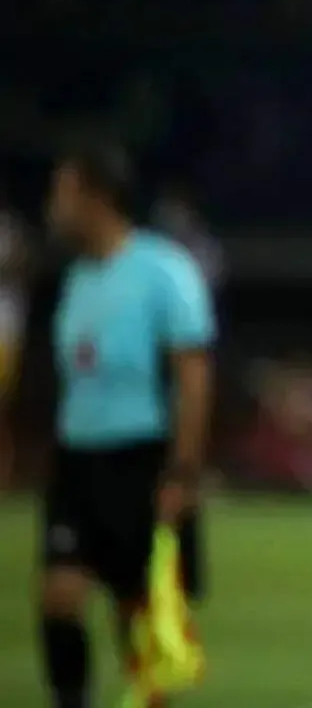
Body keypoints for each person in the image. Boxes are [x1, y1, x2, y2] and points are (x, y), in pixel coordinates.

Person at [39, 136, 216, 708]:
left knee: (135, 609)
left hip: (139, 457)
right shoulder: (77, 278)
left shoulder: (162, 270)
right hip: (77, 460)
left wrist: (182, 471)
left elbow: (192, 374)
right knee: (59, 596)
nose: (53, 206)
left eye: (63, 192)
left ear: (96, 197)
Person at [0, 187, 30, 489]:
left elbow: (22, 266)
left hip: (5, 332)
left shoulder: (9, 229)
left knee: (2, 410)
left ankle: (5, 477)